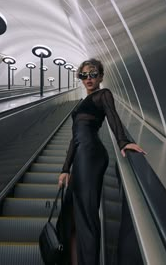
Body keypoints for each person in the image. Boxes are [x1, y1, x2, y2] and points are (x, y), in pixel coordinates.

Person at [57, 58, 146, 265]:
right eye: (84, 75)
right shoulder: (82, 103)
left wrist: (123, 142)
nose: (88, 78)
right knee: (69, 216)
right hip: (80, 157)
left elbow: (112, 116)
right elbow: (74, 138)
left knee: (87, 217)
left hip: (91, 156)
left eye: (93, 74)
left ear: (101, 76)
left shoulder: (103, 95)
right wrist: (65, 169)